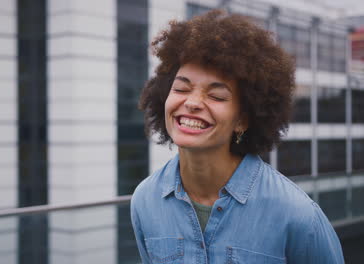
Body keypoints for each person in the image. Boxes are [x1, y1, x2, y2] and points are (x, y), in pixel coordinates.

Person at [130, 9, 344, 264]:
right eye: (181, 88)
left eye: (216, 96)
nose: (193, 102)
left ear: (243, 119)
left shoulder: (297, 215)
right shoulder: (145, 200)